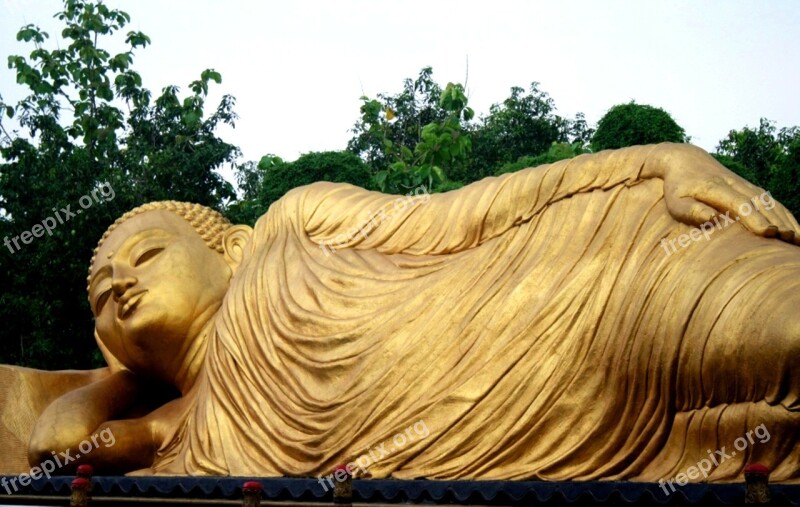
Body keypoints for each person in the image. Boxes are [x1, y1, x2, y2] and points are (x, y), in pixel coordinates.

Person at [24, 143, 800, 482]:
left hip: (595, 289)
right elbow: (56, 438)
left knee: (783, 332)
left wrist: (654, 160)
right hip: (578, 429)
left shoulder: (291, 224)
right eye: (105, 296)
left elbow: (469, 214)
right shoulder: (183, 430)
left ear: (227, 244)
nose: (123, 281)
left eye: (148, 254)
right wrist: (125, 369)